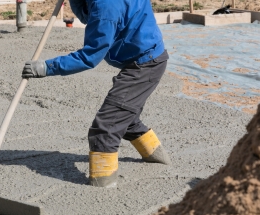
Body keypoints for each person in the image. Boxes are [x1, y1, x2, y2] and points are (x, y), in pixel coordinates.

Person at [22, 0, 171, 188]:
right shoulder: (102, 6)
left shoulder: (107, 6)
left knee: (107, 125)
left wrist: (46, 67)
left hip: (145, 64)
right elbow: (91, 18)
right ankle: (159, 160)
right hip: (143, 57)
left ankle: (102, 187)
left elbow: (90, 56)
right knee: (126, 118)